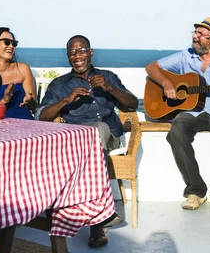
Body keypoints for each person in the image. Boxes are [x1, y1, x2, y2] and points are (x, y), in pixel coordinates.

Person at [37, 35, 138, 248]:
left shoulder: (108, 76)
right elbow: (41, 116)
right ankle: (99, 216)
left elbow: (132, 104)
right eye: (72, 52)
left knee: (98, 129)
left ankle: (95, 225)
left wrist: (110, 88)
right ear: (68, 57)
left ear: (90, 53)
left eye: (81, 50)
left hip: (107, 136)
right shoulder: (60, 85)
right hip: (75, 141)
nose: (77, 56)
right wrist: (66, 100)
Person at [145, 17, 210, 213]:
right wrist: (167, 84)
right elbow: (151, 67)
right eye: (195, 33)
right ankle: (196, 190)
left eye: (201, 34)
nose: (195, 36)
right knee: (177, 131)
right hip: (192, 112)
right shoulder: (186, 56)